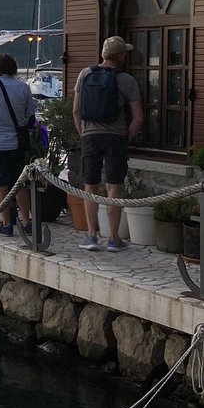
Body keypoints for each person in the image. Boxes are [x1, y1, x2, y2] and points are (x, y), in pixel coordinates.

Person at [73, 35, 143, 252]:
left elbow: (76, 111)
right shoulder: (127, 80)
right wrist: (126, 136)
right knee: (114, 186)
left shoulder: (85, 74)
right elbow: (138, 117)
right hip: (115, 137)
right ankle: (113, 238)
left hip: (90, 136)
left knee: (90, 185)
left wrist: (84, 133)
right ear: (120, 55)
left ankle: (92, 235)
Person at [0, 53, 37, 236]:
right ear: (14, 68)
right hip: (16, 142)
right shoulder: (23, 88)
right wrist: (29, 133)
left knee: (0, 183)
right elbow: (31, 116)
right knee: (19, 182)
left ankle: (6, 223)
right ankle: (27, 221)